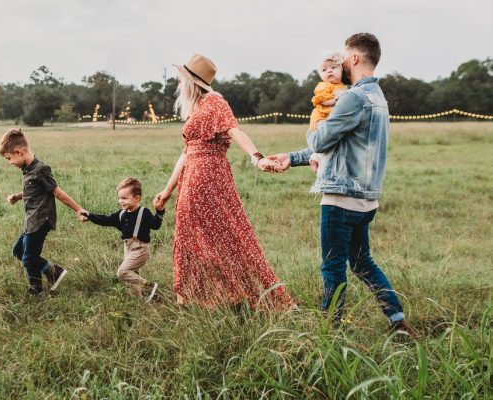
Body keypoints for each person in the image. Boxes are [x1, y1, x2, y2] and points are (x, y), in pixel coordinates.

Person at [266, 33, 416, 335]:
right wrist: (292, 158)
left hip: (341, 197)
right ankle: (397, 321)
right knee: (362, 263)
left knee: (333, 266)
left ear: (356, 58)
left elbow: (321, 139)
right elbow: (341, 146)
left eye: (344, 57)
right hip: (366, 199)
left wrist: (316, 125)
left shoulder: (352, 97)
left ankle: (329, 333)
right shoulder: (378, 98)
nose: (341, 63)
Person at [152, 53, 294, 309]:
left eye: (181, 79)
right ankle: (195, 298)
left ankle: (232, 296)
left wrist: (257, 157)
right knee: (194, 237)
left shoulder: (215, 102)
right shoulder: (198, 108)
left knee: (225, 236)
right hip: (193, 176)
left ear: (191, 81)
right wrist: (167, 189)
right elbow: (186, 152)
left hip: (207, 177)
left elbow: (234, 129)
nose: (178, 84)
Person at [0, 128, 88, 295]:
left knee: (28, 258)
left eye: (9, 158)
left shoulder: (41, 169)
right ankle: (53, 271)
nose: (9, 162)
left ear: (19, 152)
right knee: (18, 251)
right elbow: (33, 190)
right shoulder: (27, 169)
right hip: (31, 220)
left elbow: (57, 192)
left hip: (41, 220)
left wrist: (78, 209)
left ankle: (36, 290)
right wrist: (18, 196)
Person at [80, 177, 164, 301]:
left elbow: (155, 225)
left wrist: (159, 211)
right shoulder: (121, 214)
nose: (121, 201)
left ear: (137, 198)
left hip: (140, 249)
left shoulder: (144, 212)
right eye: (119, 198)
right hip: (128, 248)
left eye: (124, 198)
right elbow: (105, 220)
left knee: (122, 272)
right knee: (132, 278)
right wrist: (89, 215)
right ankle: (138, 301)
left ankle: (149, 287)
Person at [308, 52, 347, 177]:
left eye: (333, 68)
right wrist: (334, 101)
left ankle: (315, 157)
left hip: (331, 116)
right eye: (324, 70)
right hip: (321, 116)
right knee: (325, 133)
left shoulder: (342, 86)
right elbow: (320, 99)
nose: (329, 71)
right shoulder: (323, 85)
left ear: (341, 71)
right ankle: (317, 160)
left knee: (331, 140)